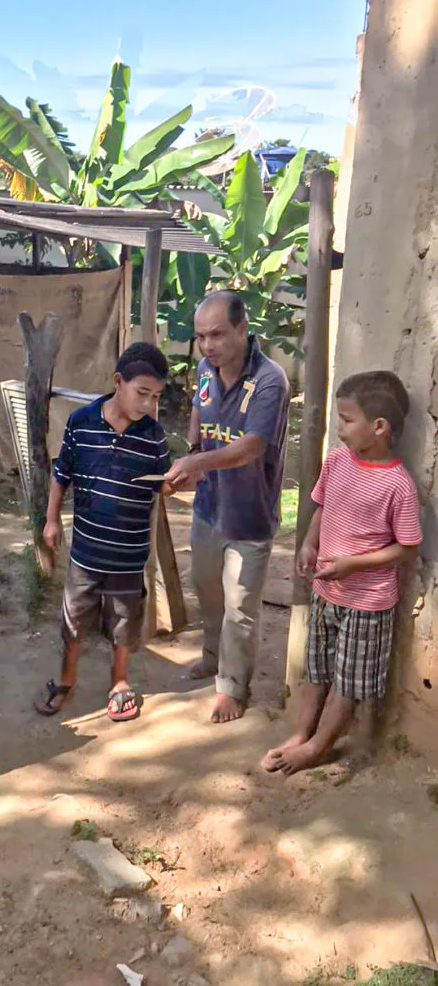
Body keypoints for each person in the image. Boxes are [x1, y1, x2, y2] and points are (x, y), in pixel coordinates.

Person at [262, 371, 422, 775]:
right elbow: (322, 507)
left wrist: (352, 565)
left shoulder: (398, 486)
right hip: (326, 594)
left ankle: (317, 747)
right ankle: (301, 733)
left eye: (348, 420)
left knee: (348, 683)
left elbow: (407, 547)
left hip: (367, 605)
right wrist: (309, 544)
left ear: (380, 427)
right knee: (317, 670)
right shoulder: (336, 462)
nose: (340, 428)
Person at [165, 292, 290, 724]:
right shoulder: (205, 369)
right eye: (201, 337)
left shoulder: (270, 380)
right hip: (208, 507)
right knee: (207, 588)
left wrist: (198, 462)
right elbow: (200, 408)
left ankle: (233, 687)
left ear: (242, 328)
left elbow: (253, 447)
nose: (207, 346)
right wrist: (196, 447)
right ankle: (213, 658)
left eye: (217, 334)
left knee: (240, 606)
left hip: (249, 515)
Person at [33, 342, 172, 722]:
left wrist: (174, 482)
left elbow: (162, 485)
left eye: (156, 396)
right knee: (74, 620)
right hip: (86, 554)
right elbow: (62, 474)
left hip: (129, 555)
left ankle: (119, 682)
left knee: (125, 623)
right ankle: (66, 680)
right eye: (141, 392)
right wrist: (50, 519)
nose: (147, 404)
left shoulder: (154, 437)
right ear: (118, 382)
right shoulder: (81, 422)